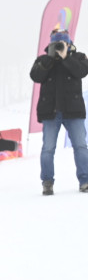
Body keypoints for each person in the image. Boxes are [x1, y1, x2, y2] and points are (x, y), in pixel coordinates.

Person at [30, 29, 88, 195]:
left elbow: (82, 71)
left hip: (73, 111)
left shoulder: (78, 57)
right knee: (48, 148)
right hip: (51, 112)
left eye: (63, 44)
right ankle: (47, 182)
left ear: (69, 44)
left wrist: (66, 58)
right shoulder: (43, 60)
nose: (60, 47)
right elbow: (35, 76)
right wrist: (49, 59)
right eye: (56, 44)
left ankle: (85, 180)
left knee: (81, 146)